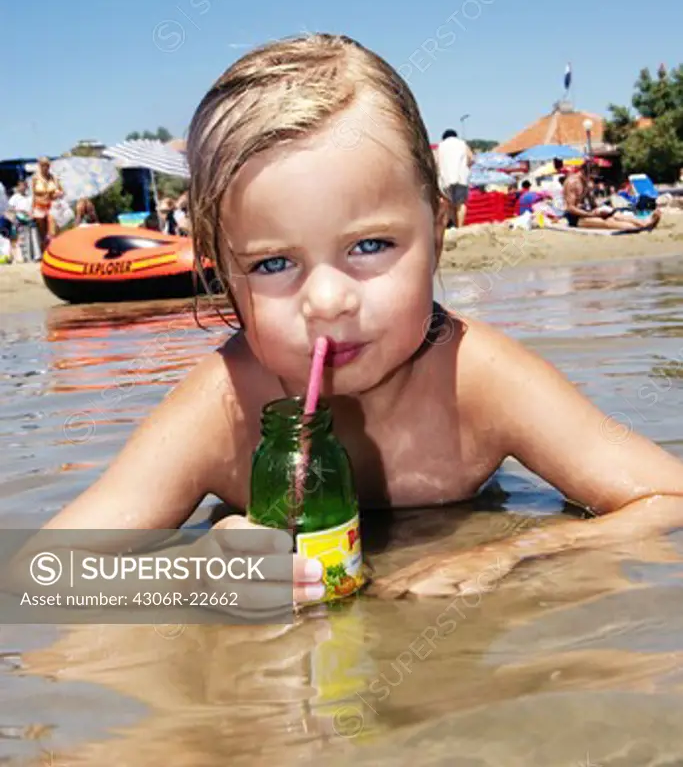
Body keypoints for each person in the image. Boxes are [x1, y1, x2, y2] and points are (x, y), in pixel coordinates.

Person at [42, 34, 683, 603]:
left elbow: (668, 499)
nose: (327, 301)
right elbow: (39, 575)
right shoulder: (225, 406)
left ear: (436, 230)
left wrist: (513, 552)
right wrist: (186, 577)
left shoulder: (479, 379)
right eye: (271, 264)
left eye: (370, 246)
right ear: (220, 272)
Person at [563, 163, 661, 232]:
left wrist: (599, 209)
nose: (593, 180)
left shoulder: (587, 182)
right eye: (592, 176)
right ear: (584, 172)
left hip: (589, 211)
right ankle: (641, 227)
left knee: (617, 214)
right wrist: (590, 214)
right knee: (607, 223)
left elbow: (592, 203)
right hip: (576, 217)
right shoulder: (572, 183)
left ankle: (644, 223)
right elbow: (570, 208)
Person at [436, 129, 474, 228]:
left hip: (445, 180)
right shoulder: (462, 144)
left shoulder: (440, 146)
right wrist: (466, 167)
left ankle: (453, 225)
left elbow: (436, 162)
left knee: (449, 204)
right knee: (460, 204)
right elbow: (471, 158)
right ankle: (459, 227)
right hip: (461, 178)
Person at [30, 156, 64, 252]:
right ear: (39, 166)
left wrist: (59, 193)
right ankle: (44, 251)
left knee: (52, 228)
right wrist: (31, 209)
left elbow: (62, 191)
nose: (45, 167)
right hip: (39, 205)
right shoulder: (35, 178)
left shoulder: (54, 178)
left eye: (47, 165)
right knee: (42, 232)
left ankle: (53, 250)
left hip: (51, 205)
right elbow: (33, 194)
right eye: (43, 165)